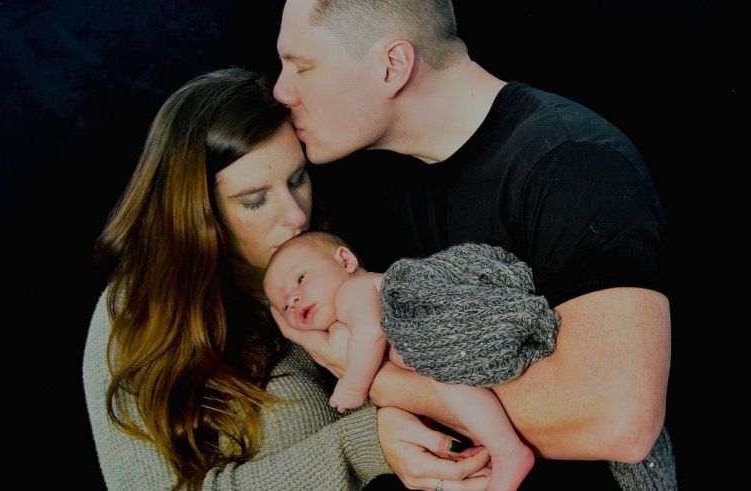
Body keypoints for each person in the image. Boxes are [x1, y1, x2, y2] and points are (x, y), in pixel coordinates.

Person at [272, 1, 676, 489]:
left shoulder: (574, 164)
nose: (281, 89)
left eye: (302, 66)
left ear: (392, 66)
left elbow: (617, 423)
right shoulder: (361, 182)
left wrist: (374, 380)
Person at [82, 67, 493, 490]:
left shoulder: (339, 257)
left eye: (298, 179)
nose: (296, 216)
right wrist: (362, 446)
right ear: (196, 213)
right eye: (255, 200)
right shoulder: (135, 311)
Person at [265, 231, 562, 490]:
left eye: (300, 279)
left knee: (446, 383)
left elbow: (372, 334)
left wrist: (353, 386)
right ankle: (490, 436)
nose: (293, 299)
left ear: (345, 261)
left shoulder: (351, 291)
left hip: (458, 332)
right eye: (283, 304)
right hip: (464, 344)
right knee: (447, 386)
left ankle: (508, 451)